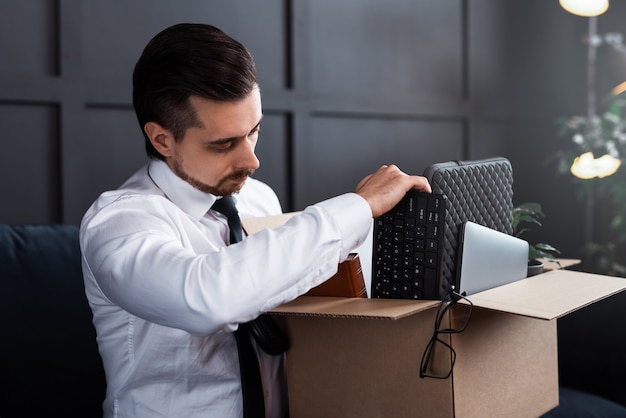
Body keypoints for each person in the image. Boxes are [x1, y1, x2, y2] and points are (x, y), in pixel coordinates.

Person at [80, 23, 431, 418]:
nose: (251, 161)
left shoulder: (259, 199)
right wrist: (358, 207)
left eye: (254, 132)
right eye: (224, 144)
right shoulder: (117, 223)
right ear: (163, 140)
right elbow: (207, 297)